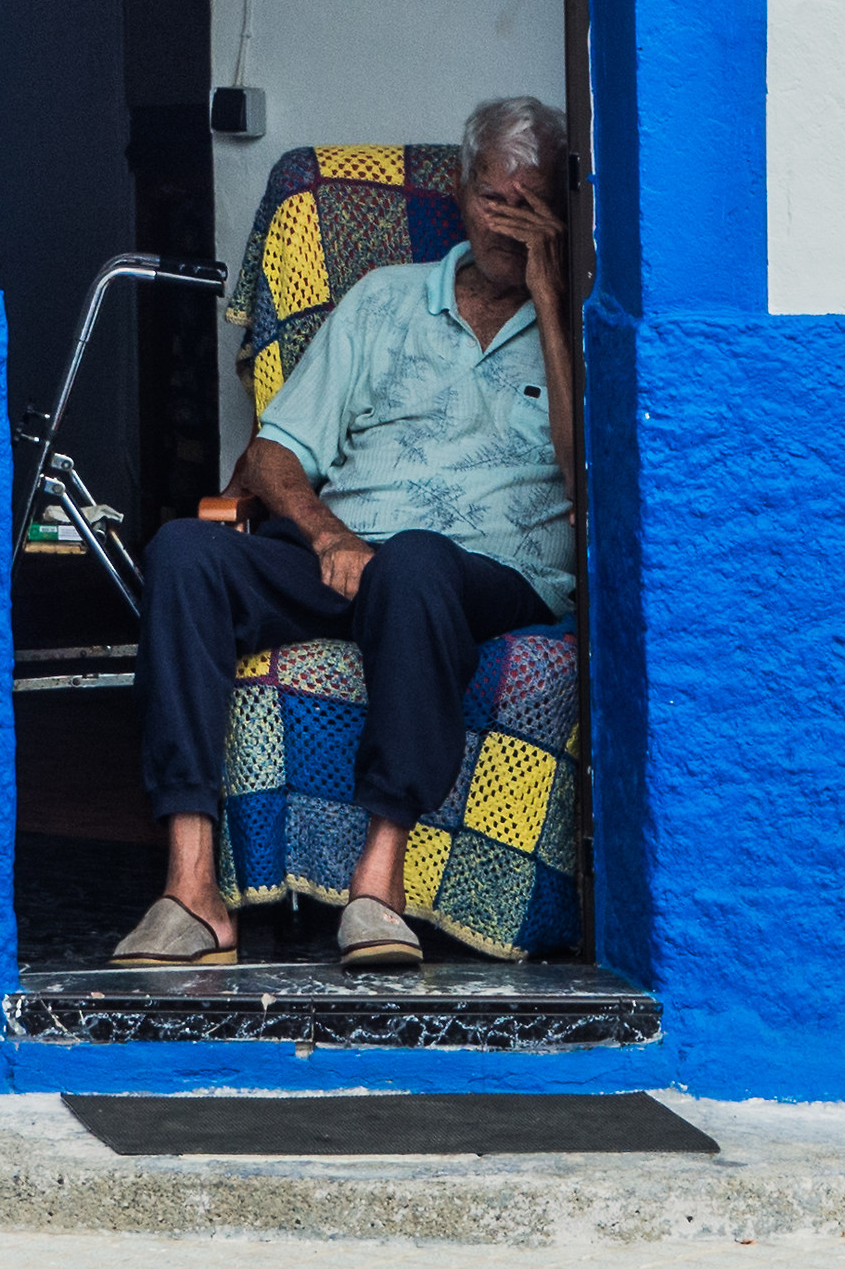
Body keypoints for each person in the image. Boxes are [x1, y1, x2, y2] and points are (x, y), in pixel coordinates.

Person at [113, 95, 577, 972]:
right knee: (185, 552)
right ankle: (191, 889)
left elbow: (587, 476)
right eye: (492, 198)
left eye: (531, 205)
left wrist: (553, 302)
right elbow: (272, 456)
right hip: (351, 556)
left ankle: (377, 887)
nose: (507, 224)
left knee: (416, 562)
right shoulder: (383, 299)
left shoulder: (583, 325)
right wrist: (328, 537)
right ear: (458, 193)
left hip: (489, 570)